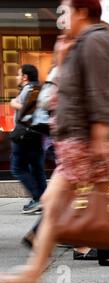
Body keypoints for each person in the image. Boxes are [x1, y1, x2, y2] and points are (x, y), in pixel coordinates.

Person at [0, 0, 109, 283]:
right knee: (53, 205)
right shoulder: (82, 42)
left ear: (82, 11)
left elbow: (100, 93)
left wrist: (99, 138)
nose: (61, 17)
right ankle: (32, 275)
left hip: (97, 147)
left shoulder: (95, 40)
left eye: (66, 11)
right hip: (77, 149)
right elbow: (62, 97)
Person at [9, 64, 47, 214]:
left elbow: (29, 111)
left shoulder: (31, 88)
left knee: (17, 168)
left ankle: (38, 199)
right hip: (36, 135)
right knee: (37, 168)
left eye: (19, 75)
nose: (17, 77)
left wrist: (14, 104)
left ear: (25, 76)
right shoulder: (38, 88)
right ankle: (42, 200)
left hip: (26, 135)